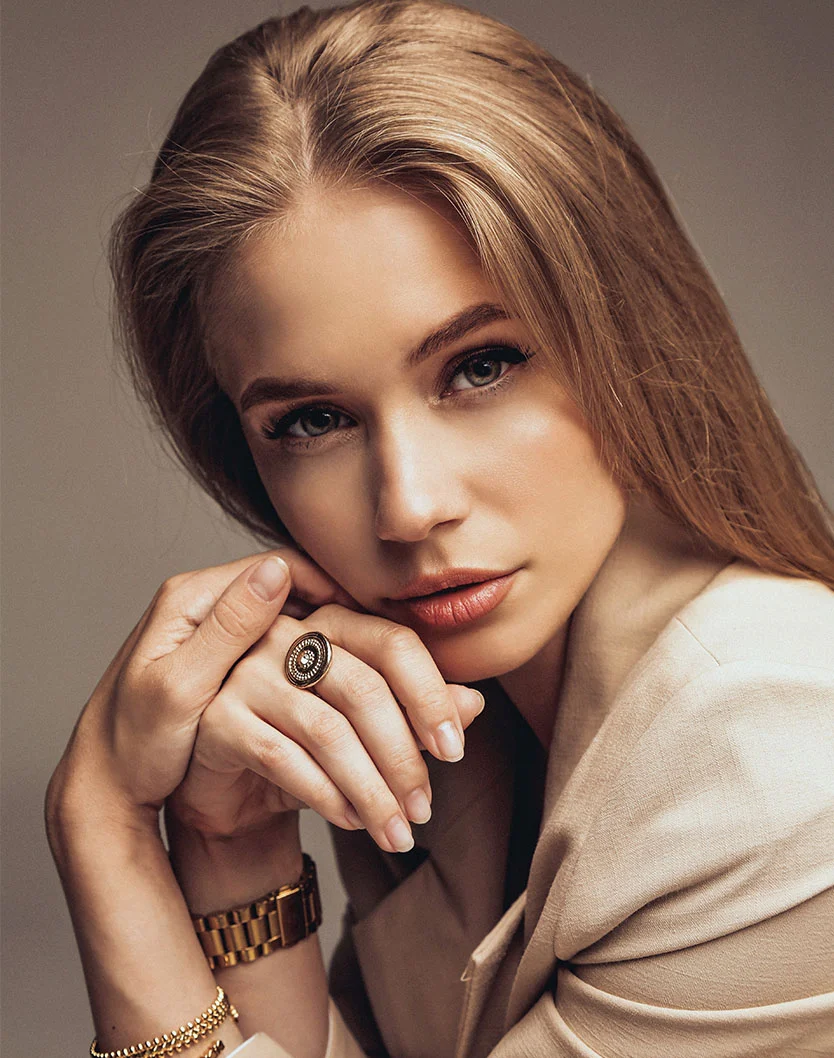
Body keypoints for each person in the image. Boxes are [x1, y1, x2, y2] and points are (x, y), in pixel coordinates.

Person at [45, 1, 834, 1056]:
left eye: (481, 364)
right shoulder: (459, 725)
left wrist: (103, 831)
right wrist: (231, 839)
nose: (410, 506)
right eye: (313, 420)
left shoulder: (766, 756)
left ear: (626, 330)